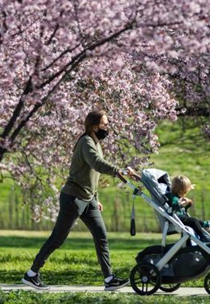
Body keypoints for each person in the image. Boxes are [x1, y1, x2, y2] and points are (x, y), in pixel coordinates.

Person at [22, 110, 140, 291]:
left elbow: (93, 175)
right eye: (105, 124)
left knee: (102, 238)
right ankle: (31, 274)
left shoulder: (95, 142)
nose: (107, 128)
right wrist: (119, 171)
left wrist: (96, 197)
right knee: (57, 239)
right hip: (73, 198)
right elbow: (96, 163)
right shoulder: (86, 142)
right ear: (95, 126)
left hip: (89, 199)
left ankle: (109, 279)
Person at [164, 175, 210, 242]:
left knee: (194, 220)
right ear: (182, 191)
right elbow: (174, 205)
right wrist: (180, 203)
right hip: (176, 218)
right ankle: (203, 236)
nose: (185, 194)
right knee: (193, 221)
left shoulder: (176, 196)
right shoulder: (173, 197)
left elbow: (184, 208)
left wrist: (188, 202)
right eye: (186, 192)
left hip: (180, 217)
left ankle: (206, 224)